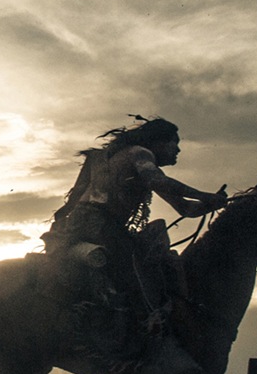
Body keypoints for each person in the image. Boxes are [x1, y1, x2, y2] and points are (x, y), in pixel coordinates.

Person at [42, 116, 226, 335]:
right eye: (174, 143)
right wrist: (205, 196)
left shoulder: (127, 163)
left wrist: (212, 204)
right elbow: (158, 182)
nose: (177, 150)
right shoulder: (140, 154)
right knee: (141, 266)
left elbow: (184, 209)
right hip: (102, 226)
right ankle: (146, 321)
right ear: (158, 142)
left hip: (85, 225)